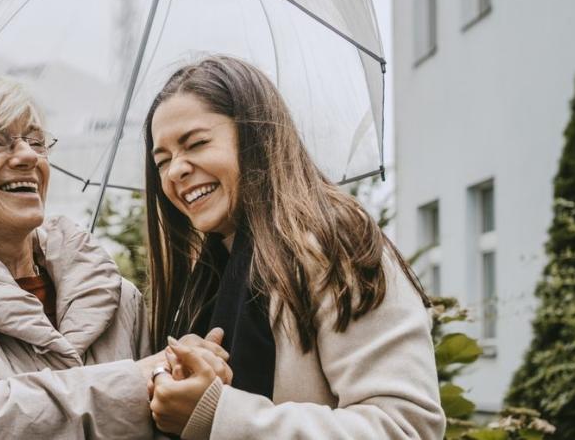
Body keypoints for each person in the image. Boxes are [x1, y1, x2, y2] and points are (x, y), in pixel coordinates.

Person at [0, 74, 228, 439]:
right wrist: (134, 380)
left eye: (36, 141)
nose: (28, 156)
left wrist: (184, 381)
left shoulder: (117, 296)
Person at [142, 56, 445, 439]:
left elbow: (405, 427)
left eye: (197, 143)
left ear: (256, 135)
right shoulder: (209, 273)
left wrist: (216, 414)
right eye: (162, 160)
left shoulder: (335, 244)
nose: (175, 171)